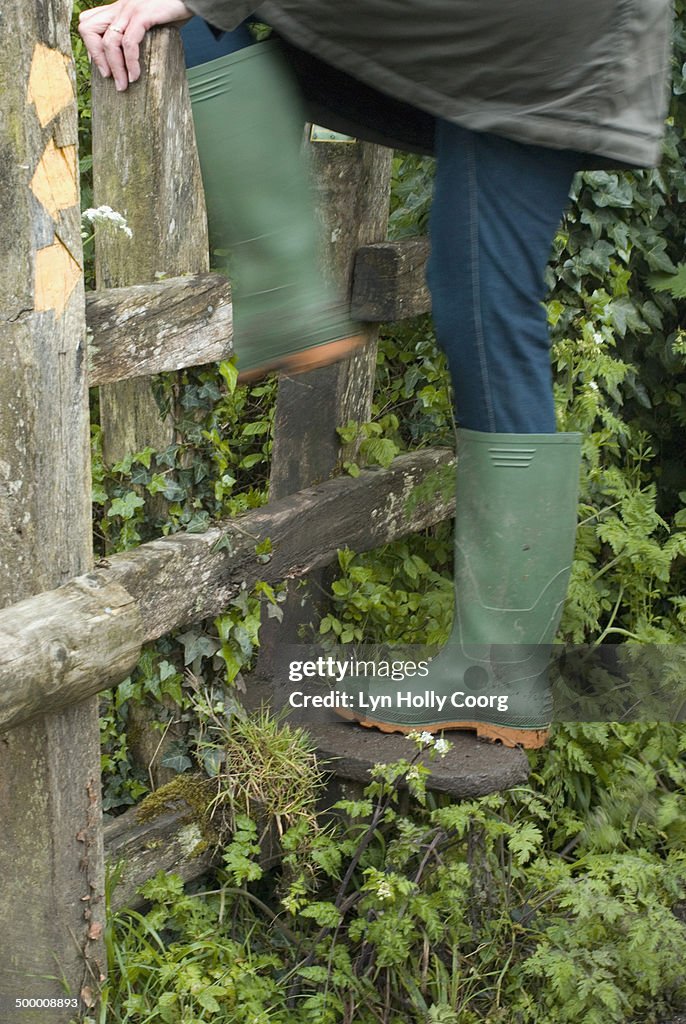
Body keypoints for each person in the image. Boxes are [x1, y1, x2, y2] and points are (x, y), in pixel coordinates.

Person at [79, 0, 673, 747]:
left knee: (204, 22)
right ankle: (501, 673)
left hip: (536, 39)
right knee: (482, 301)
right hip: (548, 43)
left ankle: (286, 293)